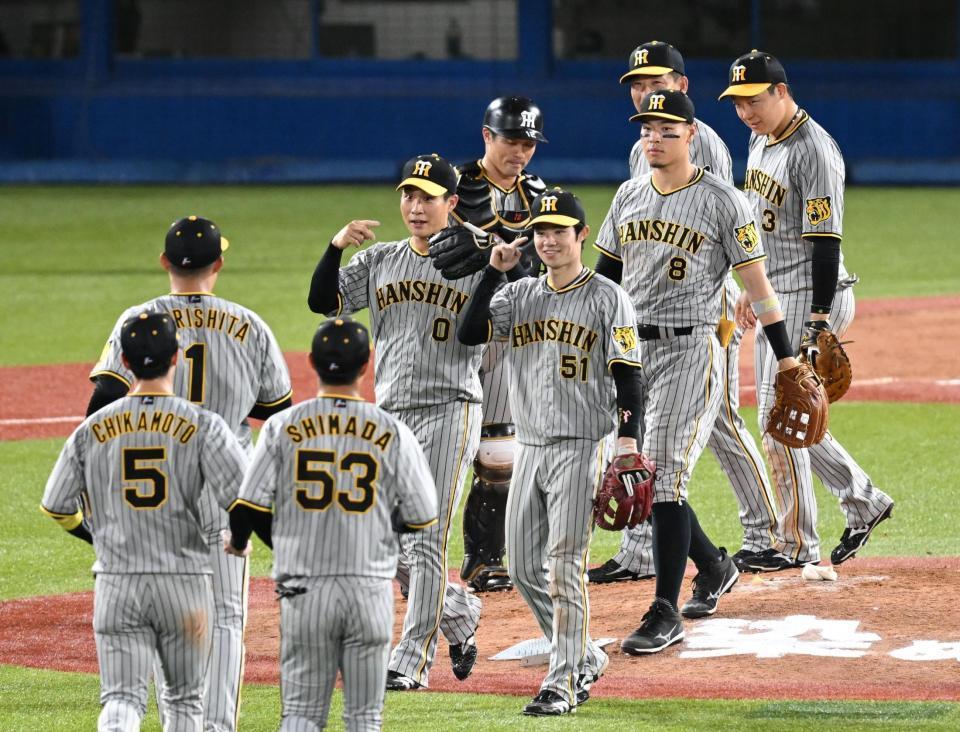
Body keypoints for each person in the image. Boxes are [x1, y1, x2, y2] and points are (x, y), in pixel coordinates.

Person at [594, 89, 803, 654]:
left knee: (661, 473)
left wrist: (785, 357)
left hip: (694, 349)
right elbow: (604, 283)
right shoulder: (628, 195)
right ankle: (713, 565)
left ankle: (665, 608)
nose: (653, 139)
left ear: (691, 134)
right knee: (640, 471)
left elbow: (759, 289)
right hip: (632, 354)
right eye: (646, 129)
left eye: (665, 129)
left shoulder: (723, 202)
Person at [87, 216, 293, 731]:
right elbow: (277, 413)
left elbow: (103, 403)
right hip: (227, 488)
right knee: (224, 617)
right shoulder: (251, 324)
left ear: (164, 263)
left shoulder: (138, 320)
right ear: (218, 263)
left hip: (154, 486)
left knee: (161, 614)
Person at [307, 154, 486, 690]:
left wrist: (494, 262)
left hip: (452, 408)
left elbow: (496, 320)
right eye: (408, 195)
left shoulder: (474, 260)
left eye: (428, 197)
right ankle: (459, 616)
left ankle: (412, 658)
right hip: (390, 417)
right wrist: (336, 246)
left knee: (427, 540)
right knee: (381, 541)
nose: (415, 206)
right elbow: (323, 301)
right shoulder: (381, 259)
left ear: (451, 204)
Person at [457, 189, 640, 715]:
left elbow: (629, 376)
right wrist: (494, 271)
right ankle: (581, 654)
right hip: (530, 446)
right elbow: (471, 332)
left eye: (560, 230)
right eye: (541, 231)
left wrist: (627, 443)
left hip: (582, 447)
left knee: (563, 567)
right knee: (521, 570)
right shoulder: (519, 296)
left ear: (581, 236)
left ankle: (562, 681)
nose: (549, 239)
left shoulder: (609, 297)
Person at [719, 50, 894, 567]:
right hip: (777, 293)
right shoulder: (760, 139)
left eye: (754, 100)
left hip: (809, 296)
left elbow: (825, 241)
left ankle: (795, 545)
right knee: (794, 414)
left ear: (780, 90)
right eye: (737, 103)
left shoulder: (814, 150)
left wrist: (817, 319)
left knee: (781, 415)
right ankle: (864, 501)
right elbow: (761, 225)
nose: (746, 112)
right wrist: (754, 290)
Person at [224, 318, 439, 731]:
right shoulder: (393, 431)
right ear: (366, 366)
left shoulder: (282, 427)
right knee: (364, 718)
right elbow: (422, 515)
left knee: (302, 716)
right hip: (369, 590)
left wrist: (240, 542)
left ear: (311, 363)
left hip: (304, 590)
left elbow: (245, 506)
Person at [41, 312, 248, 731]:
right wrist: (238, 540)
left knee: (121, 700)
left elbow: (56, 505)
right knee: (187, 701)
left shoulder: (90, 430)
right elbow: (244, 499)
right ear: (176, 358)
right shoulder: (204, 425)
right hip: (186, 583)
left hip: (118, 583)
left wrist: (98, 538)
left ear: (125, 363)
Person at [442, 96, 548, 593]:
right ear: (487, 136)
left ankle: (484, 560)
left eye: (527, 143)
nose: (519, 152)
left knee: (500, 450)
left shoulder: (540, 193)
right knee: (436, 448)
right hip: (450, 328)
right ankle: (408, 560)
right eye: (510, 140)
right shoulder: (453, 188)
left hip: (508, 334)